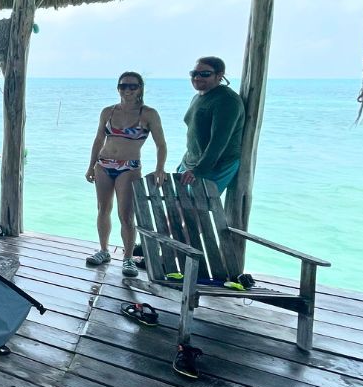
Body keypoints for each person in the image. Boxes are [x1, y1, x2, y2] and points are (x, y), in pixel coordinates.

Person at [85, 72, 168, 276]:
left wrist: (160, 168)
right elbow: (98, 140)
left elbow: (161, 144)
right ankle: (104, 250)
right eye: (123, 86)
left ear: (140, 88)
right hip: (103, 164)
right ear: (118, 88)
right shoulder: (108, 112)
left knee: (126, 215)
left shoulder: (148, 114)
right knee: (103, 209)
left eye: (132, 86)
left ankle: (128, 258)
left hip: (129, 167)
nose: (127, 90)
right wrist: (90, 165)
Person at [180, 56, 245, 196]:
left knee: (194, 210)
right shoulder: (198, 97)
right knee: (175, 206)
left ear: (219, 75)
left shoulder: (227, 100)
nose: (197, 77)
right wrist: (186, 164)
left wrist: (198, 171)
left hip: (216, 166)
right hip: (190, 162)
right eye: (194, 73)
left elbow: (219, 141)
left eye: (205, 74)